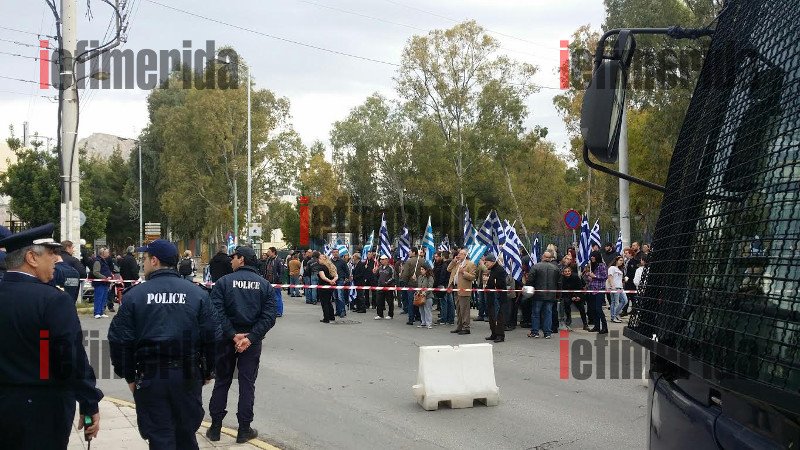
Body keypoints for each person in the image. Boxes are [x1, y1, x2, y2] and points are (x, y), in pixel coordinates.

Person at [108, 239, 218, 449]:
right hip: (187, 375)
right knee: (186, 436)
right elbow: (213, 336)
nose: (144, 263)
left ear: (155, 261)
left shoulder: (135, 296)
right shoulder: (198, 294)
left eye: (145, 259)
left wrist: (129, 375)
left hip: (151, 378)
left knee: (160, 438)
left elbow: (119, 340)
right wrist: (208, 371)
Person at [0, 224, 103, 448]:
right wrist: (89, 403)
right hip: (43, 409)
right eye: (52, 253)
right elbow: (70, 357)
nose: (58, 259)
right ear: (31, 258)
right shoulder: (53, 300)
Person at [206, 245, 277, 444]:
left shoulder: (223, 282)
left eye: (234, 257)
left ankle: (215, 428)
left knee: (222, 381)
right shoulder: (264, 285)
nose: (231, 260)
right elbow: (269, 316)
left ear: (242, 260)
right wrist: (250, 338)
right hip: (250, 342)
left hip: (227, 340)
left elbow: (216, 311)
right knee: (247, 384)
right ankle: (244, 429)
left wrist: (232, 334)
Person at [526, 251, 561, 339]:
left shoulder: (536, 266)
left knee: (535, 313)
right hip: (550, 295)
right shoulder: (556, 268)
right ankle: (547, 333)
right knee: (548, 313)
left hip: (538, 294)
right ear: (550, 258)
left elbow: (530, 280)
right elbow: (559, 282)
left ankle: (535, 332)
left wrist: (528, 289)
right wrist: (558, 294)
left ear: (542, 257)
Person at [447, 249, 476, 335]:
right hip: (456, 288)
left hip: (464, 289)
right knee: (458, 309)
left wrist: (464, 273)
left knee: (464, 309)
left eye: (461, 254)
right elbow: (448, 269)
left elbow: (473, 277)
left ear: (465, 255)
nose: (459, 255)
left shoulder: (470, 264)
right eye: (459, 253)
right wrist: (453, 261)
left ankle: (466, 327)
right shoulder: (457, 263)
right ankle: (459, 326)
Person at [483, 254, 507, 342]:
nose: (486, 264)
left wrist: (491, 284)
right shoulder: (492, 270)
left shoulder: (499, 270)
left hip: (498, 297)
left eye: (487, 262)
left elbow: (500, 284)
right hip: (491, 297)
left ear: (492, 262)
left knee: (498, 317)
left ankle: (500, 335)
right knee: (492, 317)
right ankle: (494, 333)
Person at [584, 251, 609, 334]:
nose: (592, 257)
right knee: (593, 309)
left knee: (598, 309)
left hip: (599, 289)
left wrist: (594, 276)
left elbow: (605, 276)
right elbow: (589, 278)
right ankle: (597, 326)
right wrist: (589, 277)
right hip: (592, 289)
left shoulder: (602, 265)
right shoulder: (591, 265)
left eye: (593, 256)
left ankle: (604, 327)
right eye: (591, 256)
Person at [561, 265, 588, 331]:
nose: (567, 273)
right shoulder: (562, 279)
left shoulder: (575, 277)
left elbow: (580, 288)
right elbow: (563, 291)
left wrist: (578, 296)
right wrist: (571, 297)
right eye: (566, 271)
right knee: (566, 302)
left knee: (581, 307)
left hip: (577, 295)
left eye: (568, 271)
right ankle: (568, 317)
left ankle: (585, 324)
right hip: (568, 296)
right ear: (563, 273)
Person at [91, 247, 113, 318]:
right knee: (99, 297)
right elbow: (96, 272)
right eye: (107, 252)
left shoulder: (103, 260)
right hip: (100, 283)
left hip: (105, 282)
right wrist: (104, 278)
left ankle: (101, 312)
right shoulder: (98, 261)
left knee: (104, 298)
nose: (108, 254)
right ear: (103, 253)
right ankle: (97, 312)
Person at [263, 247, 285, 317]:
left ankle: (279, 312)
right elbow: (266, 270)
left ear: (273, 252)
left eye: (269, 251)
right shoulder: (268, 260)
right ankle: (273, 311)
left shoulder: (279, 260)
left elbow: (281, 271)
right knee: (270, 297)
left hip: (276, 282)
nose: (268, 253)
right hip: (268, 281)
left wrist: (279, 281)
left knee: (277, 296)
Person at [316, 254, 338, 323]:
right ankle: (332, 316)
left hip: (323, 286)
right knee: (328, 301)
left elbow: (323, 277)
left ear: (323, 259)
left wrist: (330, 281)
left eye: (320, 258)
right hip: (330, 287)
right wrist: (333, 281)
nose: (318, 260)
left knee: (324, 302)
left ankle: (326, 318)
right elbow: (336, 276)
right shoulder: (331, 266)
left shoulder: (321, 267)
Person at [330, 248, 350, 318]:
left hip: (340, 280)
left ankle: (342, 311)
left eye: (337, 252)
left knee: (340, 296)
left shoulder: (342, 261)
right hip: (333, 281)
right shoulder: (330, 261)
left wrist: (346, 278)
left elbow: (347, 271)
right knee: (335, 297)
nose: (335, 253)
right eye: (334, 252)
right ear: (332, 253)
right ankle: (338, 311)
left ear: (338, 253)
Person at [608, 255, 628, 323]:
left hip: (620, 287)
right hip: (615, 287)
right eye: (620, 260)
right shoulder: (612, 268)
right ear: (616, 260)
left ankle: (615, 314)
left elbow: (618, 279)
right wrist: (612, 285)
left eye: (622, 261)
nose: (621, 262)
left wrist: (624, 280)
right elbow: (610, 277)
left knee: (625, 300)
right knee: (615, 302)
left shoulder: (620, 269)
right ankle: (613, 317)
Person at [375, 255, 395, 320]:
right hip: (380, 287)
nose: (381, 261)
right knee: (379, 301)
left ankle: (390, 314)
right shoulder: (380, 268)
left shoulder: (390, 268)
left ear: (386, 260)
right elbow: (377, 276)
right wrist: (374, 271)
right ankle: (380, 314)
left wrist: (387, 282)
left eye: (383, 259)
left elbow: (393, 277)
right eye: (381, 259)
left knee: (390, 301)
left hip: (388, 287)